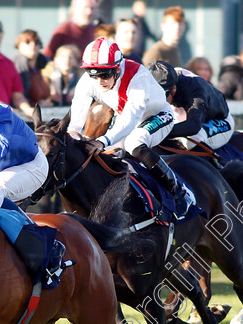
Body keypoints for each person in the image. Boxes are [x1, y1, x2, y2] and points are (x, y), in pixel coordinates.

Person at [69, 37, 188, 216]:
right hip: (125, 118)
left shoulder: (137, 76)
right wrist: (73, 136)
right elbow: (77, 113)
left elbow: (132, 117)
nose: (99, 81)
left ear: (118, 69)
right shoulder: (88, 81)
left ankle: (177, 191)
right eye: (94, 75)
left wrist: (102, 140)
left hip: (157, 116)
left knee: (133, 142)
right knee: (105, 156)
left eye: (105, 74)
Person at [146, 60, 233, 152]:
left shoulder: (195, 90)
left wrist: (157, 132)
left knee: (193, 140)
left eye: (162, 96)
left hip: (217, 120)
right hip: (183, 118)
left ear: (174, 89)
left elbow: (193, 126)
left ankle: (218, 164)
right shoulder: (163, 78)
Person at [12, 30, 51, 108]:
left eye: (36, 43)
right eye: (28, 42)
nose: (33, 45)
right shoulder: (14, 65)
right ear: (19, 45)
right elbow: (16, 96)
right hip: (24, 113)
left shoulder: (46, 64)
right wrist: (34, 104)